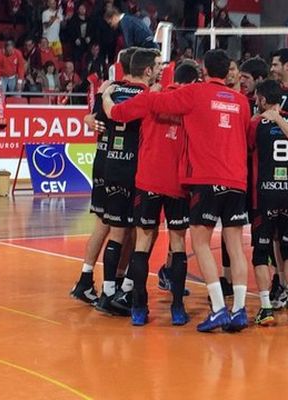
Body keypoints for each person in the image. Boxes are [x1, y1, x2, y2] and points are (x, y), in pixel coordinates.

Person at [103, 49, 251, 333]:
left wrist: (107, 96)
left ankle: (139, 307)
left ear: (205, 71)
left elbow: (125, 111)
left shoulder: (187, 96)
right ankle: (196, 309)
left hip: (169, 181)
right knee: (221, 246)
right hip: (219, 183)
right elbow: (244, 133)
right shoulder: (242, 102)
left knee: (157, 242)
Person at [102, 61, 199, 326]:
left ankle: (138, 308)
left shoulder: (150, 99)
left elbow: (116, 114)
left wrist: (106, 95)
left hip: (148, 181)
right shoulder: (192, 103)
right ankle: (177, 308)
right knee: (177, 245)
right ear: (192, 81)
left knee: (142, 243)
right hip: (178, 183)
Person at [70, 47, 139, 306]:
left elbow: (95, 118)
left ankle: (86, 279)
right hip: (122, 164)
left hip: (104, 161)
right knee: (125, 228)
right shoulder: (138, 94)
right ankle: (116, 283)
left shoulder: (108, 90)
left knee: (104, 223)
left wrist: (89, 117)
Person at [93, 49, 158, 318]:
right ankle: (128, 289)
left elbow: (97, 118)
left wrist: (103, 94)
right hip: (136, 169)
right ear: (147, 71)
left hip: (110, 166)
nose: (157, 71)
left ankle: (108, 293)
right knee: (145, 232)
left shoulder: (111, 89)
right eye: (155, 67)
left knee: (116, 232)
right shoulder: (148, 96)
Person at [249, 80, 288, 326]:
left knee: (261, 252)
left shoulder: (256, 123)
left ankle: (265, 308)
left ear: (264, 100)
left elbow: (248, 148)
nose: (255, 102)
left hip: (264, 194)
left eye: (257, 99)